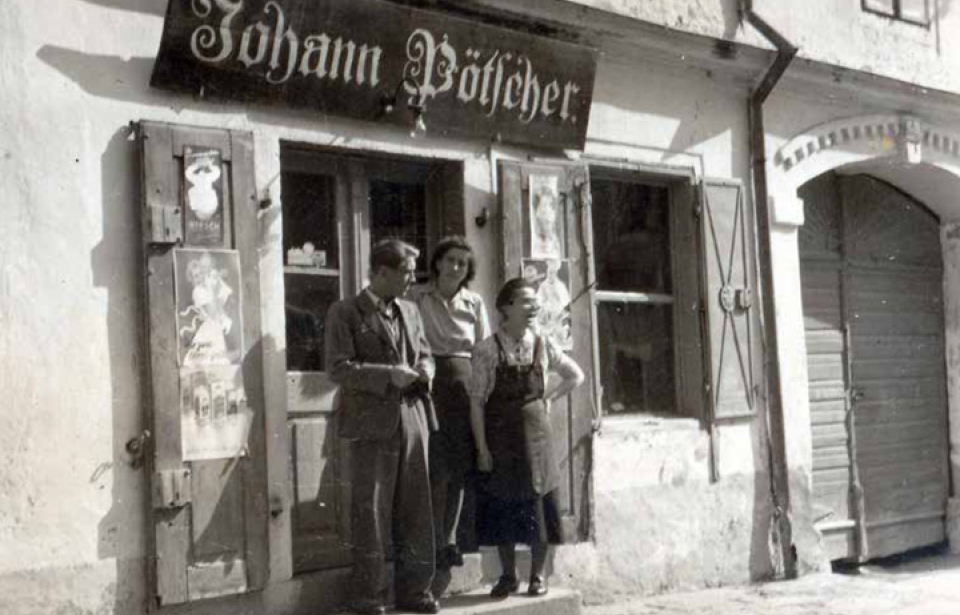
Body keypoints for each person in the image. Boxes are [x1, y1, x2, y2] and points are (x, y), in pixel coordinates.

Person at [324, 239, 440, 615]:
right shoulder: (345, 312)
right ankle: (369, 597)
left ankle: (416, 591)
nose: (412, 280)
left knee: (417, 507)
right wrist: (389, 374)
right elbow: (338, 368)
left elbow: (425, 353)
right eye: (406, 272)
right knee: (370, 511)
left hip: (413, 416)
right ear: (381, 272)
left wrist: (427, 368)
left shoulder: (411, 310)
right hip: (371, 423)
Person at [468, 278, 585, 598]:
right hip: (500, 439)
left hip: (537, 439)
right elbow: (476, 403)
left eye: (536, 301)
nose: (534, 306)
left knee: (539, 505)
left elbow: (575, 375)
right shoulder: (487, 349)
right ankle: (508, 576)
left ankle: (537, 576)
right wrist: (482, 448)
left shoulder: (543, 344)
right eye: (525, 301)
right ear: (506, 308)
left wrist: (548, 398)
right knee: (502, 504)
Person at [409, 237, 491, 577]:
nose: (456, 267)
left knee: (457, 467)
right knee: (433, 465)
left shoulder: (474, 303)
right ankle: (427, 541)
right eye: (451, 260)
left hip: (463, 387)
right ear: (438, 263)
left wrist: (481, 390)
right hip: (429, 383)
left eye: (463, 263)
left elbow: (483, 349)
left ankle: (449, 539)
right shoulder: (417, 296)